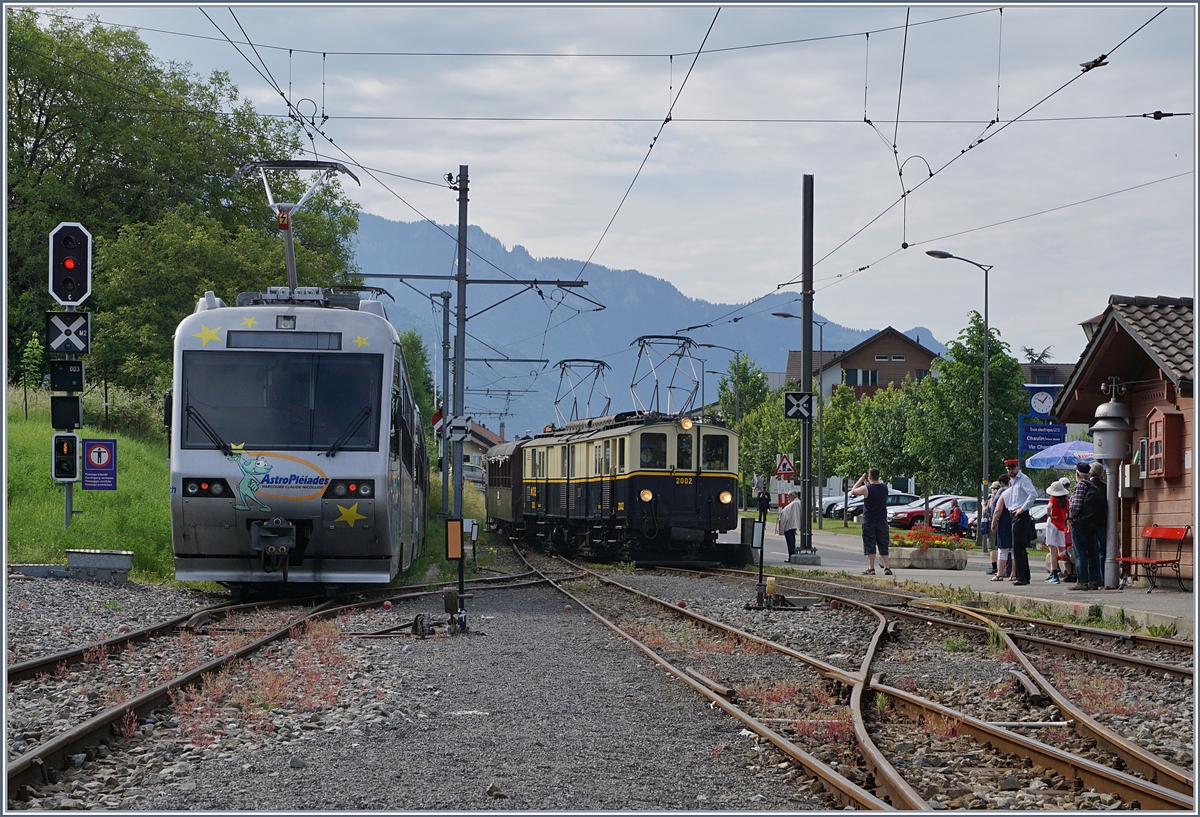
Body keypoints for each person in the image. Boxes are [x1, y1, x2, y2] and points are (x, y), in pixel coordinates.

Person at [1068, 461, 1106, 591]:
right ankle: (1093, 581)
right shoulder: (1093, 486)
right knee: (1092, 553)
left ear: (1077, 473)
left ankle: (1082, 581)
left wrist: (1071, 517)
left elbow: (1076, 506)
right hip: (1091, 523)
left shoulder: (1081, 486)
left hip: (1079, 524)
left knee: (1080, 553)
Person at [1003, 458, 1038, 585]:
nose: (1010, 470)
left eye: (1012, 468)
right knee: (1018, 547)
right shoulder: (1013, 481)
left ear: (1017, 467)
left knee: (1018, 547)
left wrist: (1022, 509)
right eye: (1008, 468)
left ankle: (1022, 577)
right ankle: (1024, 576)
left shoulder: (1023, 479)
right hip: (1014, 514)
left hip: (1021, 516)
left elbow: (1033, 494)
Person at [851, 468, 892, 576]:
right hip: (882, 520)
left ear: (869, 477)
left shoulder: (866, 489)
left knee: (870, 545)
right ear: (878, 476)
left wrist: (860, 480)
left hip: (869, 521)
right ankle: (887, 567)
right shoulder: (884, 488)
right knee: (883, 544)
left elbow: (853, 491)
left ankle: (871, 568)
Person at [1044, 479, 1070, 583]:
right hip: (1061, 525)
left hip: (1052, 523)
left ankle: (1054, 575)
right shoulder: (1066, 501)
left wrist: (1049, 514)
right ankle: (1069, 552)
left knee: (1052, 550)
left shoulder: (1053, 499)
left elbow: (1048, 507)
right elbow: (1068, 513)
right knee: (1061, 551)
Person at [989, 473, 1013, 581]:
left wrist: (993, 522)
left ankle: (999, 574)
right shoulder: (1018, 493)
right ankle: (1014, 574)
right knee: (1014, 549)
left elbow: (997, 510)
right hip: (1015, 522)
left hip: (1003, 523)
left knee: (1002, 549)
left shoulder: (1002, 493)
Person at [1090, 462, 1110, 583]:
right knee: (1102, 551)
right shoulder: (1106, 486)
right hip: (1102, 522)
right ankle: (1103, 578)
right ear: (1101, 474)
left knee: (1090, 550)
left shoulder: (1086, 485)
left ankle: (1093, 578)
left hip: (1087, 523)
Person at [777, 490, 802, 562]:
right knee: (791, 541)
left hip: (790, 525)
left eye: (788, 495)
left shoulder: (795, 503)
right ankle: (791, 556)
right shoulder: (794, 503)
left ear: (792, 496)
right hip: (789, 525)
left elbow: (794, 515)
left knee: (790, 542)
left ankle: (792, 556)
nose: (787, 497)